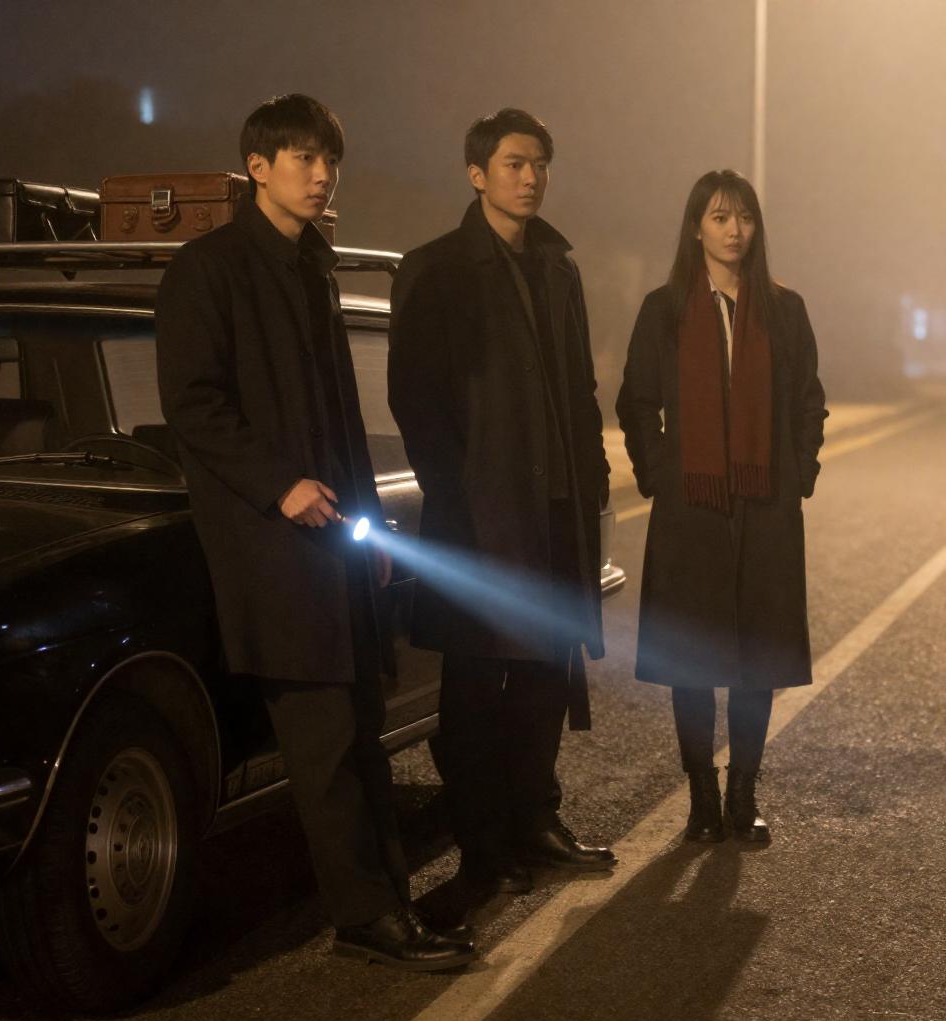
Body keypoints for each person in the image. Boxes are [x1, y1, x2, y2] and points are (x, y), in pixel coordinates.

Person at [155, 93, 474, 970]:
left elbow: (340, 422)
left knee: (361, 736)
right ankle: (367, 920)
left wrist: (369, 531)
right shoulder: (209, 269)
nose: (322, 174)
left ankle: (389, 910)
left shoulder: (311, 269)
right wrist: (278, 486)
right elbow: (192, 404)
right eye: (303, 158)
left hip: (338, 545)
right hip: (274, 552)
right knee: (326, 749)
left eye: (330, 160)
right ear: (256, 167)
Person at [388, 108, 616, 895]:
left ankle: (535, 821)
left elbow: (580, 389)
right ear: (477, 173)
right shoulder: (437, 268)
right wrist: (456, 497)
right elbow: (416, 399)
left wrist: (592, 477)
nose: (531, 178)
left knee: (548, 670)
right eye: (515, 164)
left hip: (554, 507)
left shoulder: (558, 266)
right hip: (480, 515)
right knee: (478, 683)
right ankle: (483, 844)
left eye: (541, 164)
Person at [616, 169, 828, 843]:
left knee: (756, 659)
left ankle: (743, 796)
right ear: (696, 228)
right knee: (694, 660)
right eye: (719, 217)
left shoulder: (784, 309)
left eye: (744, 217)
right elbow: (636, 401)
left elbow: (808, 402)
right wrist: (661, 475)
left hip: (765, 508)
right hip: (693, 508)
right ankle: (701, 800)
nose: (734, 230)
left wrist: (798, 474)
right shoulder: (665, 308)